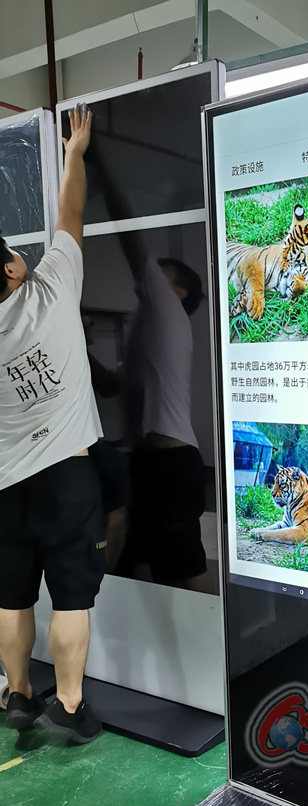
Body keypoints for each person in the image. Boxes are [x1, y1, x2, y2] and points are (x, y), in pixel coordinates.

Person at [0, 104, 104, 744]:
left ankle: (17, 694)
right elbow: (70, 214)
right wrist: (74, 154)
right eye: (14, 252)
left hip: (6, 488)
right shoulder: (55, 287)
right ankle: (68, 705)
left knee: (11, 596)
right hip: (68, 476)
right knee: (72, 600)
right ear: (13, 269)